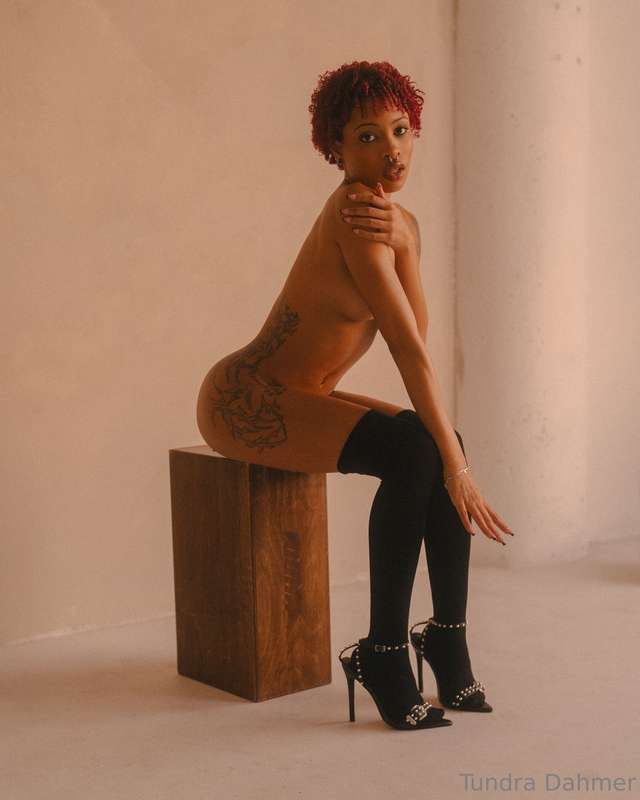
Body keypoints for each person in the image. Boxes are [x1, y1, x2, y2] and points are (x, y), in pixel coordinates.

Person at [196, 60, 514, 731]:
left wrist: (408, 245)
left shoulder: (396, 222)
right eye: (368, 137)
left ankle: (446, 640)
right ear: (336, 149)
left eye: (400, 130)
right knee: (420, 453)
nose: (390, 150)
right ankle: (383, 650)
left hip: (304, 394)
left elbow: (416, 333)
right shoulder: (352, 213)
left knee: (440, 441)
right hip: (247, 399)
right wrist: (458, 471)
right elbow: (405, 350)